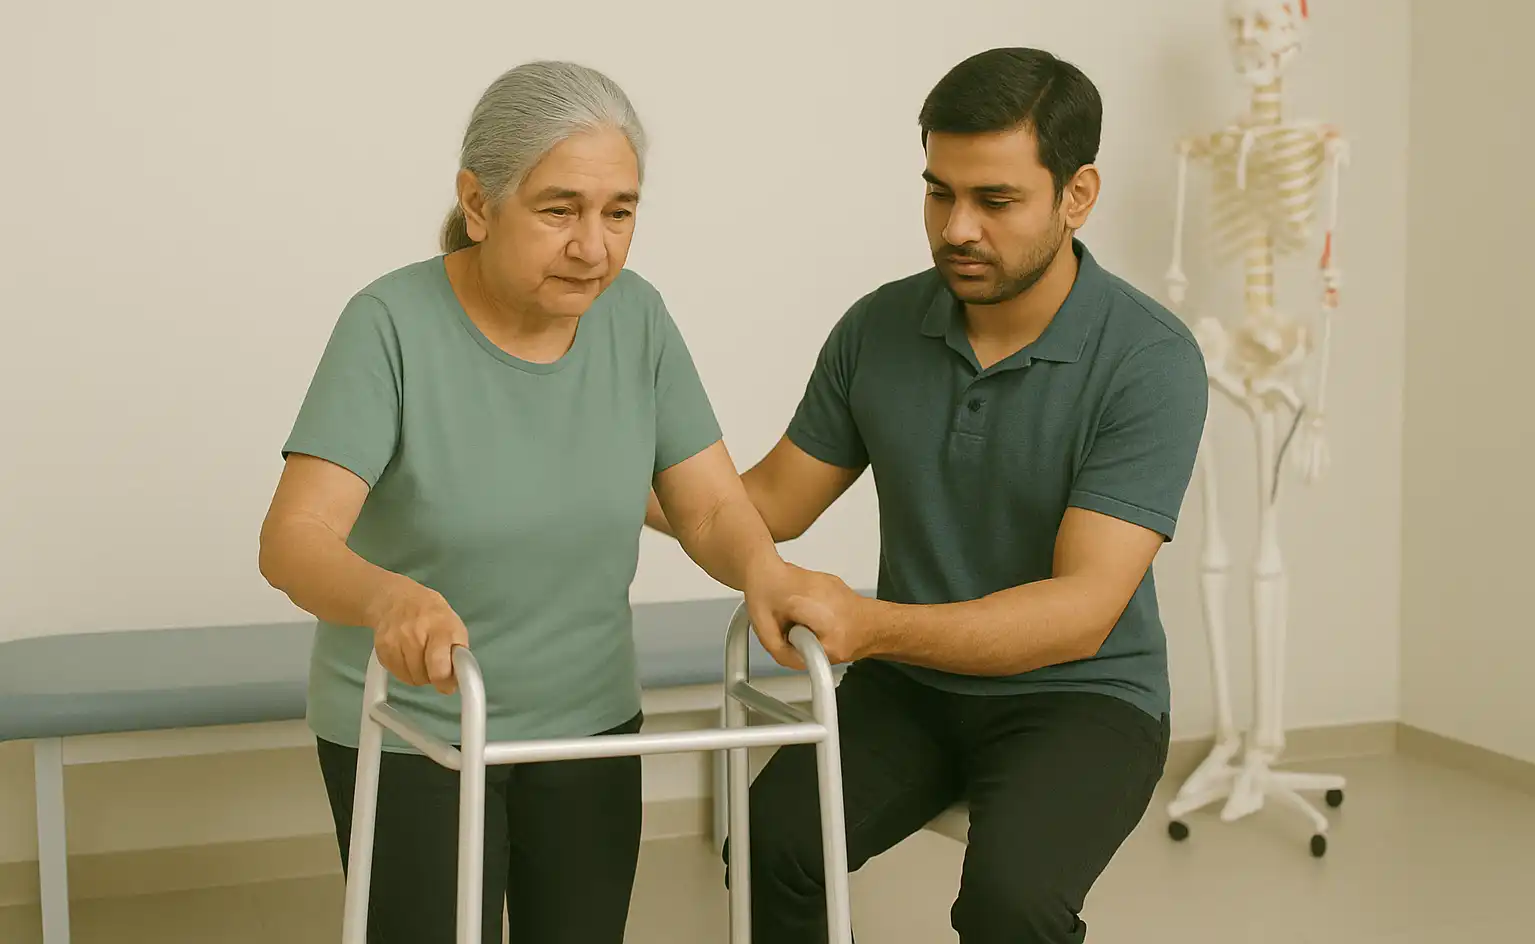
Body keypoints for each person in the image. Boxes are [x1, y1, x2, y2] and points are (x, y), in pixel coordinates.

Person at [257, 60, 844, 944]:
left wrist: (764, 571)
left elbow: (711, 509)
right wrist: (391, 598)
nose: (594, 247)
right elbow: (293, 538)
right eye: (560, 209)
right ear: (480, 202)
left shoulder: (636, 319)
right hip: (417, 724)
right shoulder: (389, 326)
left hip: (589, 722)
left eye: (620, 212)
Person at [646, 47, 1209, 943]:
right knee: (769, 840)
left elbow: (1080, 613)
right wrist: (588, 464)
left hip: (1083, 698)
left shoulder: (1149, 359)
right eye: (939, 191)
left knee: (1009, 904)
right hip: (913, 689)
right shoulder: (880, 328)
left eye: (995, 200)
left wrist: (868, 626)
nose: (957, 227)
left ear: (1078, 194)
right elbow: (767, 503)